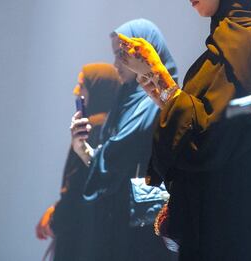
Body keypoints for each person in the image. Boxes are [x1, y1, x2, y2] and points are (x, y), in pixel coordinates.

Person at [115, 0, 251, 261]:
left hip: (233, 232)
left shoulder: (250, 43)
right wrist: (166, 97)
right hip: (220, 226)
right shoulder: (230, 43)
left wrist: (164, 81)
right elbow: (210, 122)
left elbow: (212, 139)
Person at [69, 19, 179, 261]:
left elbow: (119, 153)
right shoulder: (127, 99)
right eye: (115, 55)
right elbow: (114, 157)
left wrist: (91, 153)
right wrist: (83, 150)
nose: (116, 64)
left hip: (145, 229)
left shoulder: (156, 98)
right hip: (122, 222)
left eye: (123, 54)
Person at [36, 64, 120, 260]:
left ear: (97, 88)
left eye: (82, 85)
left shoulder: (90, 127)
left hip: (78, 235)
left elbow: (77, 182)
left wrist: (56, 221)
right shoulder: (115, 126)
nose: (76, 90)